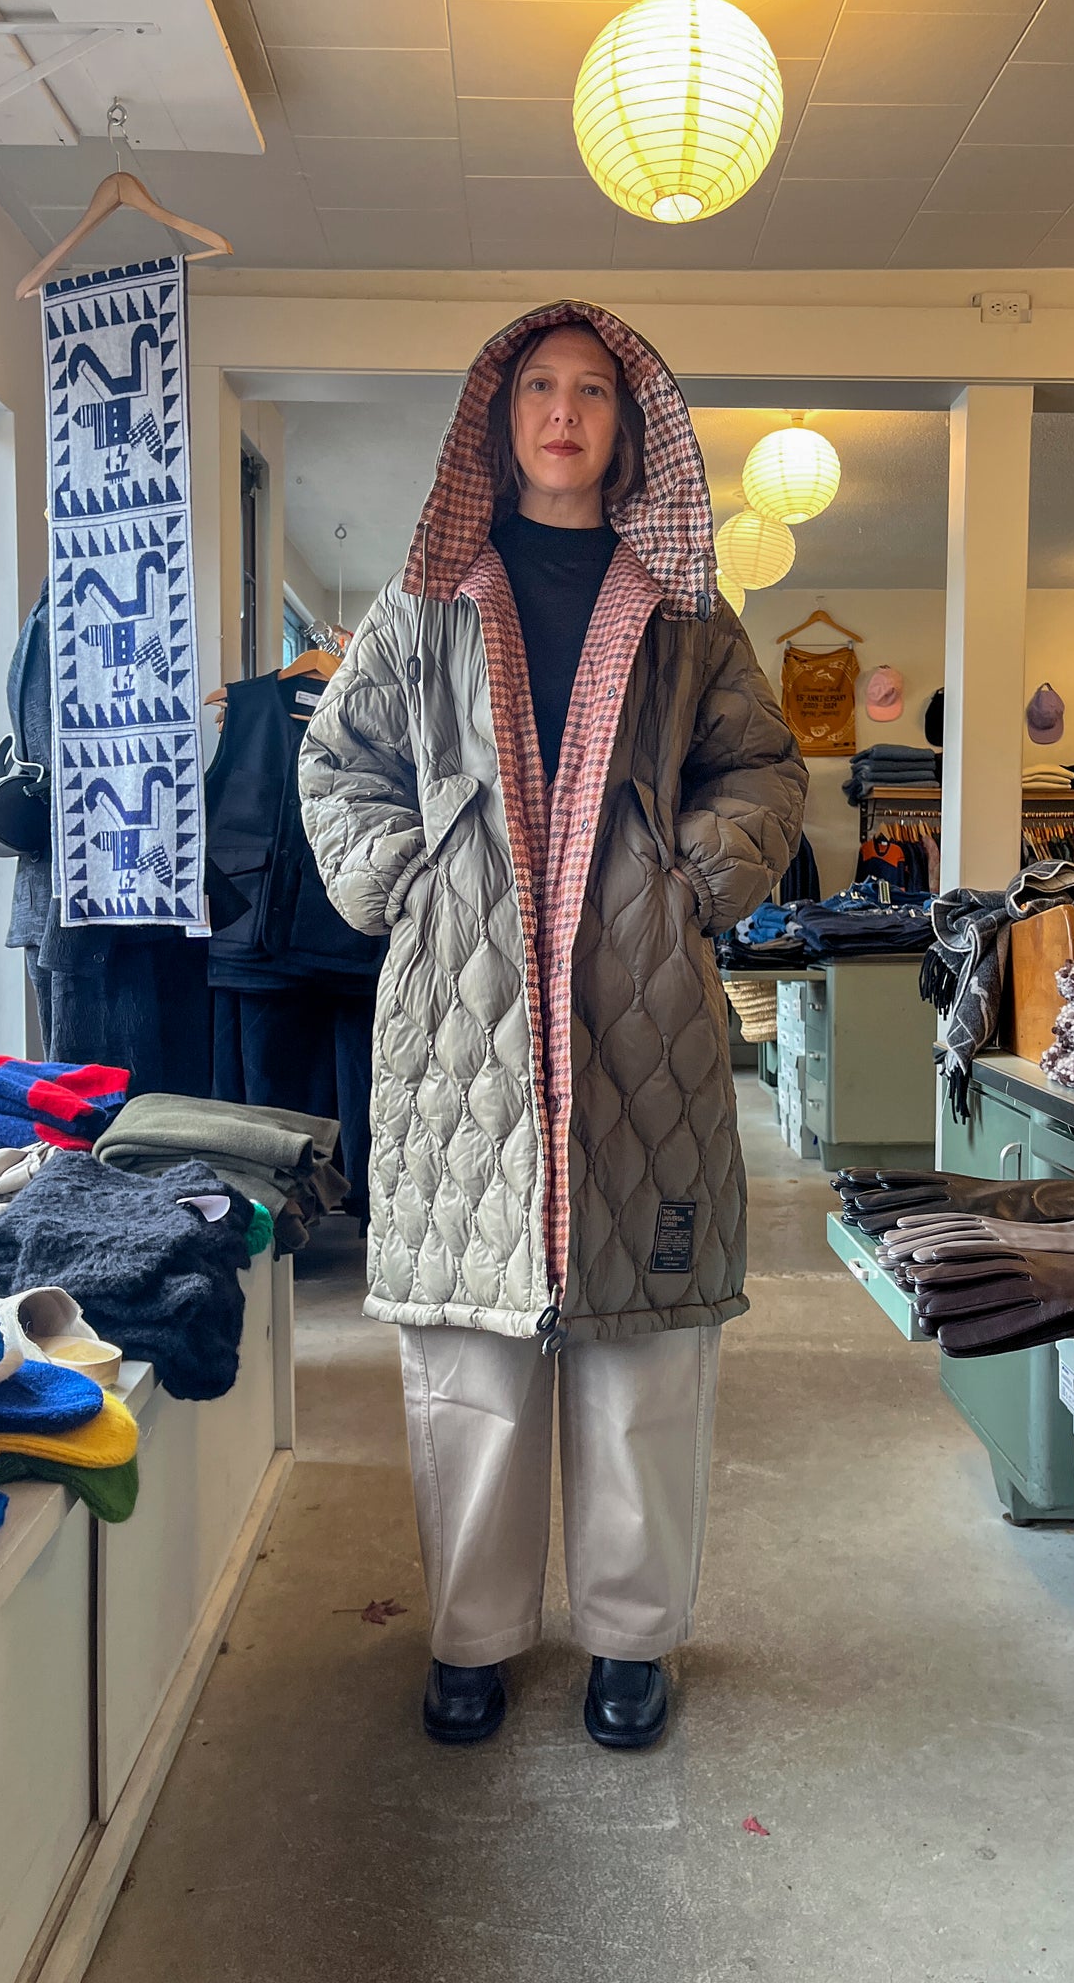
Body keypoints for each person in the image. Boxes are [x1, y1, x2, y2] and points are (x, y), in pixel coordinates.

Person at [299, 301, 806, 1750]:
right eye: (539, 386)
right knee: (471, 1356)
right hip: (462, 1020)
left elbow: (763, 767)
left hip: (644, 1015)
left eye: (592, 389)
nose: (565, 410)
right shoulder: (423, 603)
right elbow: (339, 766)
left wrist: (691, 877)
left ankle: (632, 1641)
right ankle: (471, 1634)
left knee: (645, 1348)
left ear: (629, 424)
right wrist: (410, 881)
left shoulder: (688, 610)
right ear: (499, 415)